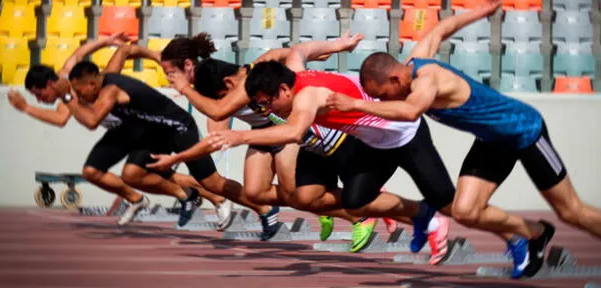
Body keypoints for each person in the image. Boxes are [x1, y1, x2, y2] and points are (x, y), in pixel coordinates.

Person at [326, 0, 601, 278]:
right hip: (492, 142)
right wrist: (480, 12)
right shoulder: (413, 62)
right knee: (465, 211)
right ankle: (536, 233)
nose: (381, 100)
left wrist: (354, 104)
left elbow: (410, 113)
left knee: (572, 212)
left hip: (524, 131)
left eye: (382, 95)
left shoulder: (426, 82)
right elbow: (440, 30)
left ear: (394, 78)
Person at [165, 41, 456, 265]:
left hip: (374, 137)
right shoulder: (291, 73)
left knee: (442, 202)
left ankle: (423, 217)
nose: (264, 111)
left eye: (267, 104)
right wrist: (336, 46)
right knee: (309, 198)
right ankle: (403, 214)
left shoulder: (304, 98)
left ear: (283, 90)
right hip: (333, 144)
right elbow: (300, 49)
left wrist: (239, 135)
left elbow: (291, 132)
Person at [143, 32, 397, 250]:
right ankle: (326, 204)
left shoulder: (247, 80)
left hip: (286, 133)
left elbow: (220, 109)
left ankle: (357, 212)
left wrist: (335, 47)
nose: (169, 78)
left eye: (171, 73)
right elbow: (215, 115)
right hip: (261, 133)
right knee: (256, 192)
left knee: (295, 193)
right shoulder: (208, 83)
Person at [11, 35, 230, 227]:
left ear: (51, 84)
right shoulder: (70, 88)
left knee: (162, 172)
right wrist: (105, 41)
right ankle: (137, 200)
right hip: (120, 131)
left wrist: (157, 56)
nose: (40, 100)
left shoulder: (85, 84)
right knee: (93, 172)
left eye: (40, 95)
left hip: (140, 127)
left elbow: (123, 50)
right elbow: (83, 55)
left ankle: (212, 197)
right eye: (35, 99)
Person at [54, 55, 278, 238]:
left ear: (91, 83)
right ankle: (186, 195)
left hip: (178, 128)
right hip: (154, 133)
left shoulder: (110, 90)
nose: (78, 95)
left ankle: (265, 209)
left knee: (213, 182)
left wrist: (66, 96)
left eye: (78, 90)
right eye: (74, 92)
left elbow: (92, 121)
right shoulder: (105, 81)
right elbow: (121, 52)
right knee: (132, 174)